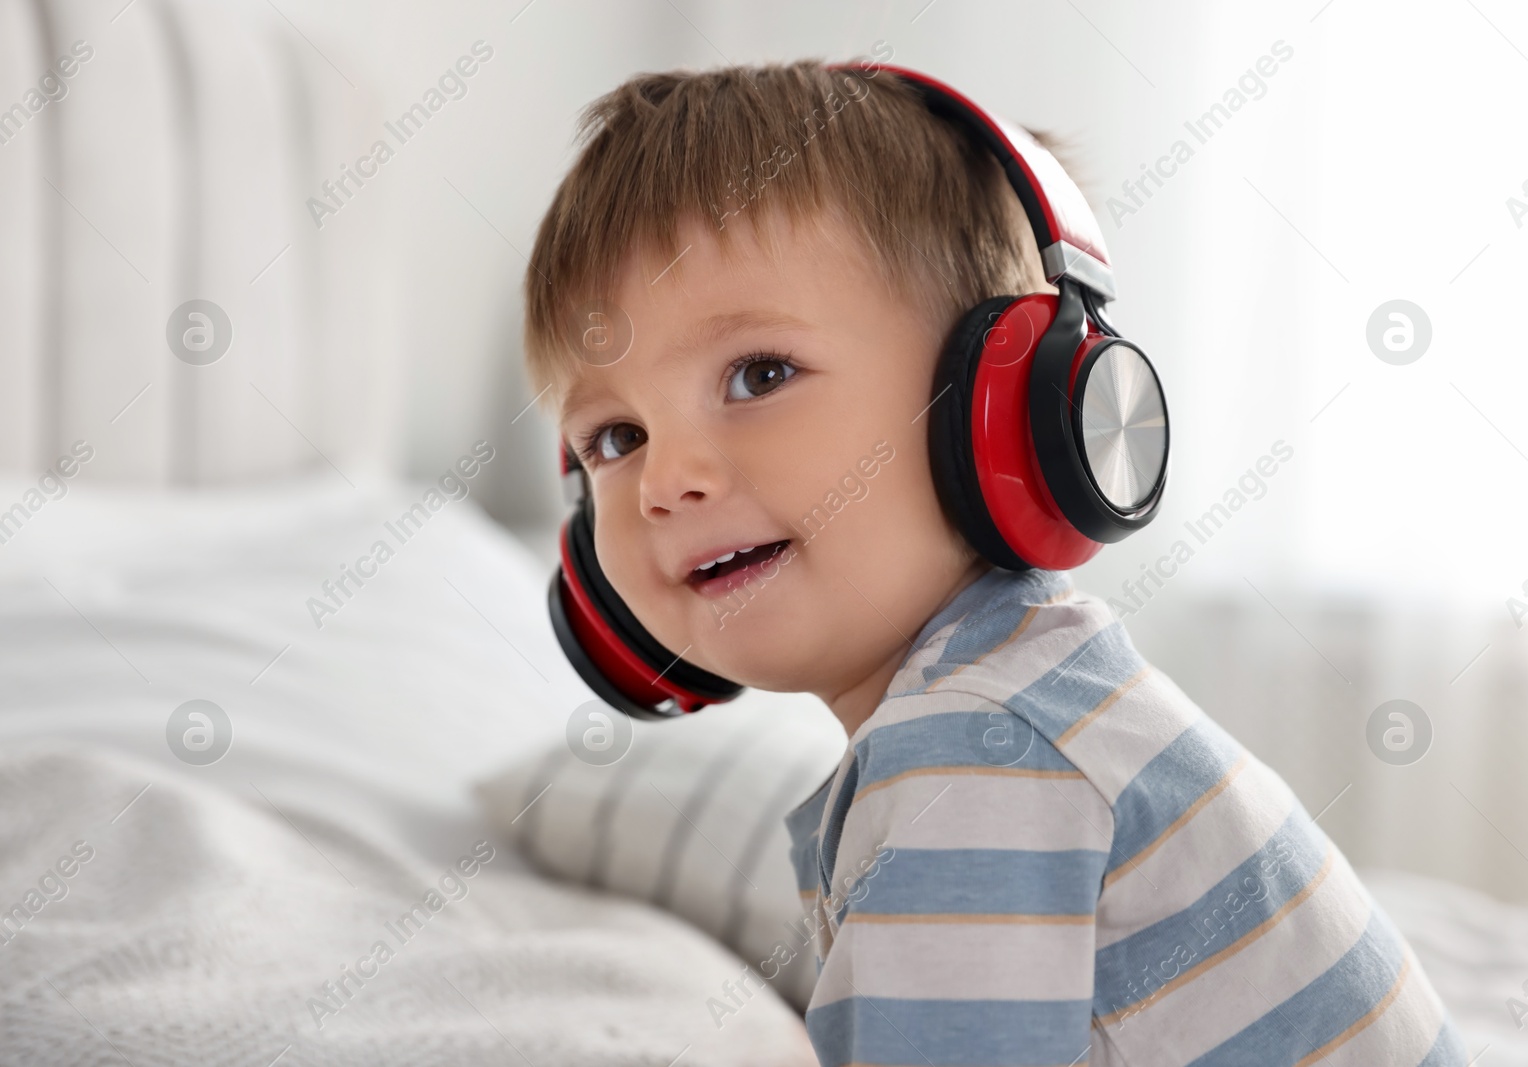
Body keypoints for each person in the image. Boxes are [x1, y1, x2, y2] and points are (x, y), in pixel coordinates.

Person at [521, 55, 1466, 1066]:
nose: (669, 479)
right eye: (615, 439)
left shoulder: (975, 750)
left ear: (1004, 406)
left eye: (760, 373)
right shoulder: (1018, 697)